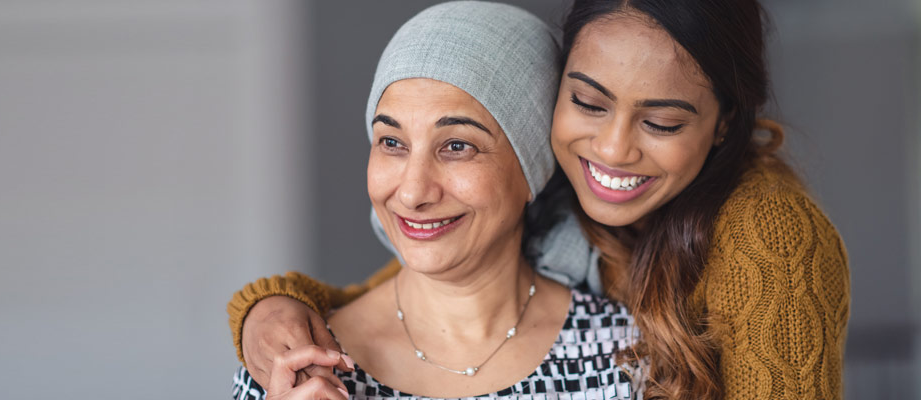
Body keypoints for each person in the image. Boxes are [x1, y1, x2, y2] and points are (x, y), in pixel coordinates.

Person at [228, 0, 850, 399]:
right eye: (587, 101)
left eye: (660, 121)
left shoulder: (769, 237)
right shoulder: (561, 212)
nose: (610, 148)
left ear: (722, 123)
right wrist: (269, 311)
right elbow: (435, 269)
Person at [231, 3, 642, 399]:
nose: (412, 192)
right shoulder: (293, 366)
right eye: (391, 142)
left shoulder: (630, 353)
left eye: (458, 146)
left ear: (533, 168)